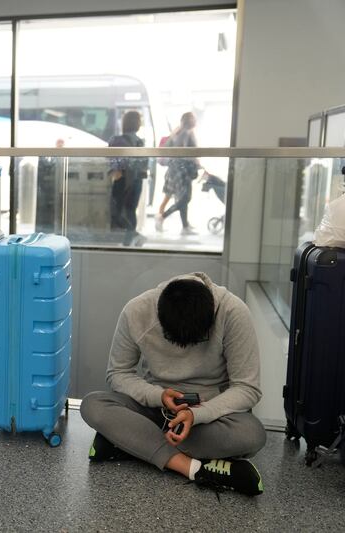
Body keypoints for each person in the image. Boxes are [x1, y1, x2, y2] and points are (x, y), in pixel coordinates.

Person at [80, 273, 267, 496]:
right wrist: (157, 396)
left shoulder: (233, 312)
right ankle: (193, 468)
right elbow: (118, 373)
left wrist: (198, 415)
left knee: (252, 435)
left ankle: (132, 443)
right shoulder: (137, 311)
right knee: (93, 405)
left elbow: (247, 388)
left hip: (208, 418)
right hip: (154, 408)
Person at [156, 112, 200, 235]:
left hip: (175, 169)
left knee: (183, 198)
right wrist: (196, 162)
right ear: (191, 121)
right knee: (185, 198)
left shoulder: (177, 132)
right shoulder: (186, 133)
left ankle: (185, 226)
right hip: (183, 170)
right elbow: (185, 152)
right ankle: (162, 217)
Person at [108, 111, 148, 247]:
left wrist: (116, 171)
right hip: (137, 181)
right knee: (130, 210)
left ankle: (133, 235)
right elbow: (144, 163)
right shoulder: (140, 142)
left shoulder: (116, 140)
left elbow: (113, 160)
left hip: (122, 179)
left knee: (116, 211)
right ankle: (128, 241)